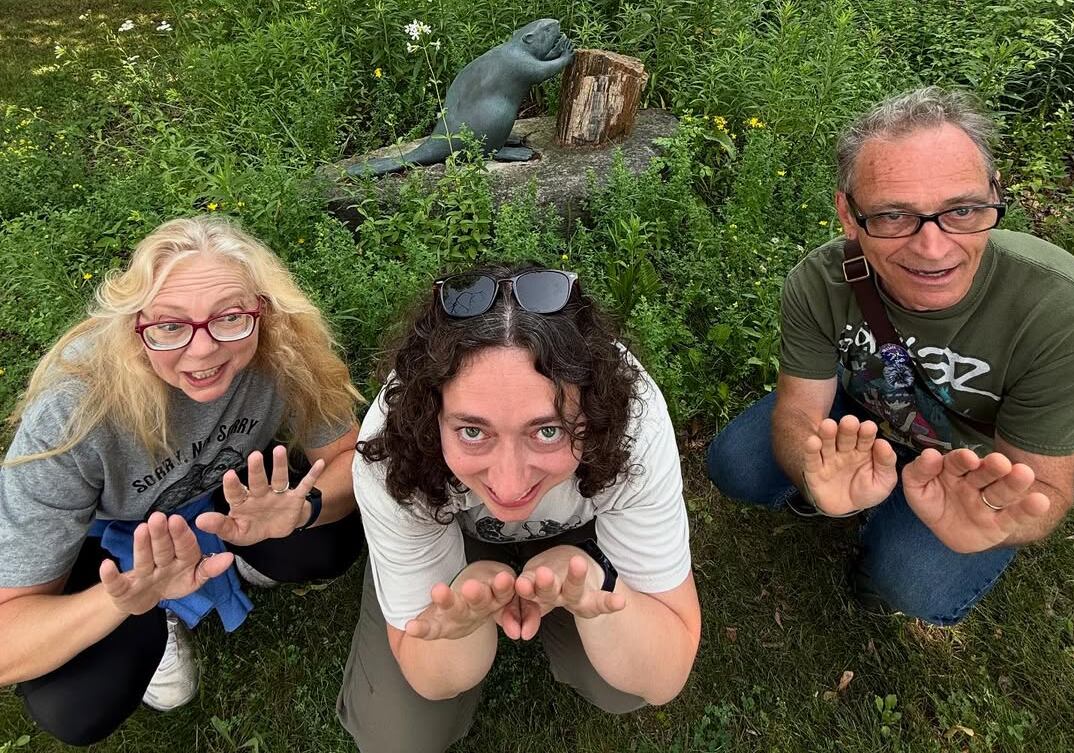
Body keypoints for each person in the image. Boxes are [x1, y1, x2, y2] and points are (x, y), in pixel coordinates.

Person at [706, 86, 1074, 625]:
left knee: (911, 581)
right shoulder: (822, 281)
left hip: (969, 465)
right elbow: (799, 410)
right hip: (863, 420)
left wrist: (1002, 518)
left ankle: (887, 561)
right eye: (893, 216)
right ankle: (847, 496)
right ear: (848, 215)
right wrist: (811, 471)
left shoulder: (1057, 307)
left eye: (962, 210)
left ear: (994, 193)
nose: (933, 249)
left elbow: (1045, 486)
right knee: (736, 462)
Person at [0, 215, 365, 746]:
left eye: (230, 318)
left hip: (228, 496)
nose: (202, 351)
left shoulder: (287, 347)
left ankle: (233, 551)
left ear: (264, 312)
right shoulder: (74, 410)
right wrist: (123, 600)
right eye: (170, 326)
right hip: (113, 534)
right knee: (78, 704)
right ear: (134, 325)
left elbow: (352, 459)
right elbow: (7, 639)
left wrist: (301, 508)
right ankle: (162, 604)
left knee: (331, 537)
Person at [336, 264, 700, 753]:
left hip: (579, 538)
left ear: (593, 412)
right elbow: (432, 677)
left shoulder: (634, 423)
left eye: (547, 430)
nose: (509, 485)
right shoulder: (393, 446)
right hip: (453, 529)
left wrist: (593, 584)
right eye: (472, 431)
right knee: (400, 739)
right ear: (432, 414)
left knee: (625, 680)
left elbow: (666, 672)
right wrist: (464, 617)